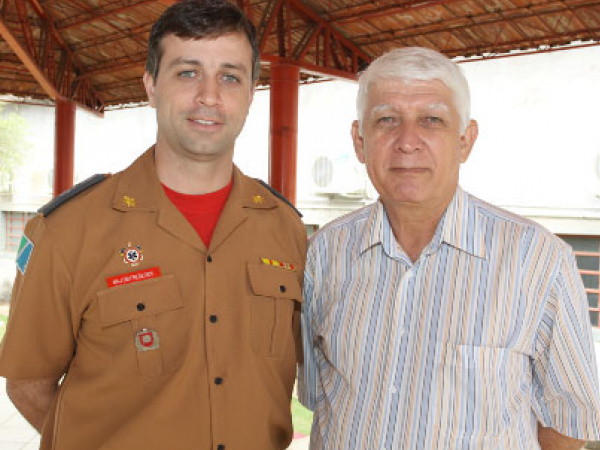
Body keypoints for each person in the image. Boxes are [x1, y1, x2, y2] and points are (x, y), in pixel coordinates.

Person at [0, 1, 307, 449]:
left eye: (229, 76)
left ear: (250, 93)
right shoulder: (68, 230)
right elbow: (28, 384)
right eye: (187, 72)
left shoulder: (287, 230)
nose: (209, 95)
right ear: (150, 86)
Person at [298, 46, 600, 450]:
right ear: (359, 140)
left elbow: (568, 424)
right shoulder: (321, 254)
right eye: (386, 119)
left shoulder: (538, 260)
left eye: (431, 120)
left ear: (465, 140)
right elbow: (319, 398)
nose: (407, 141)